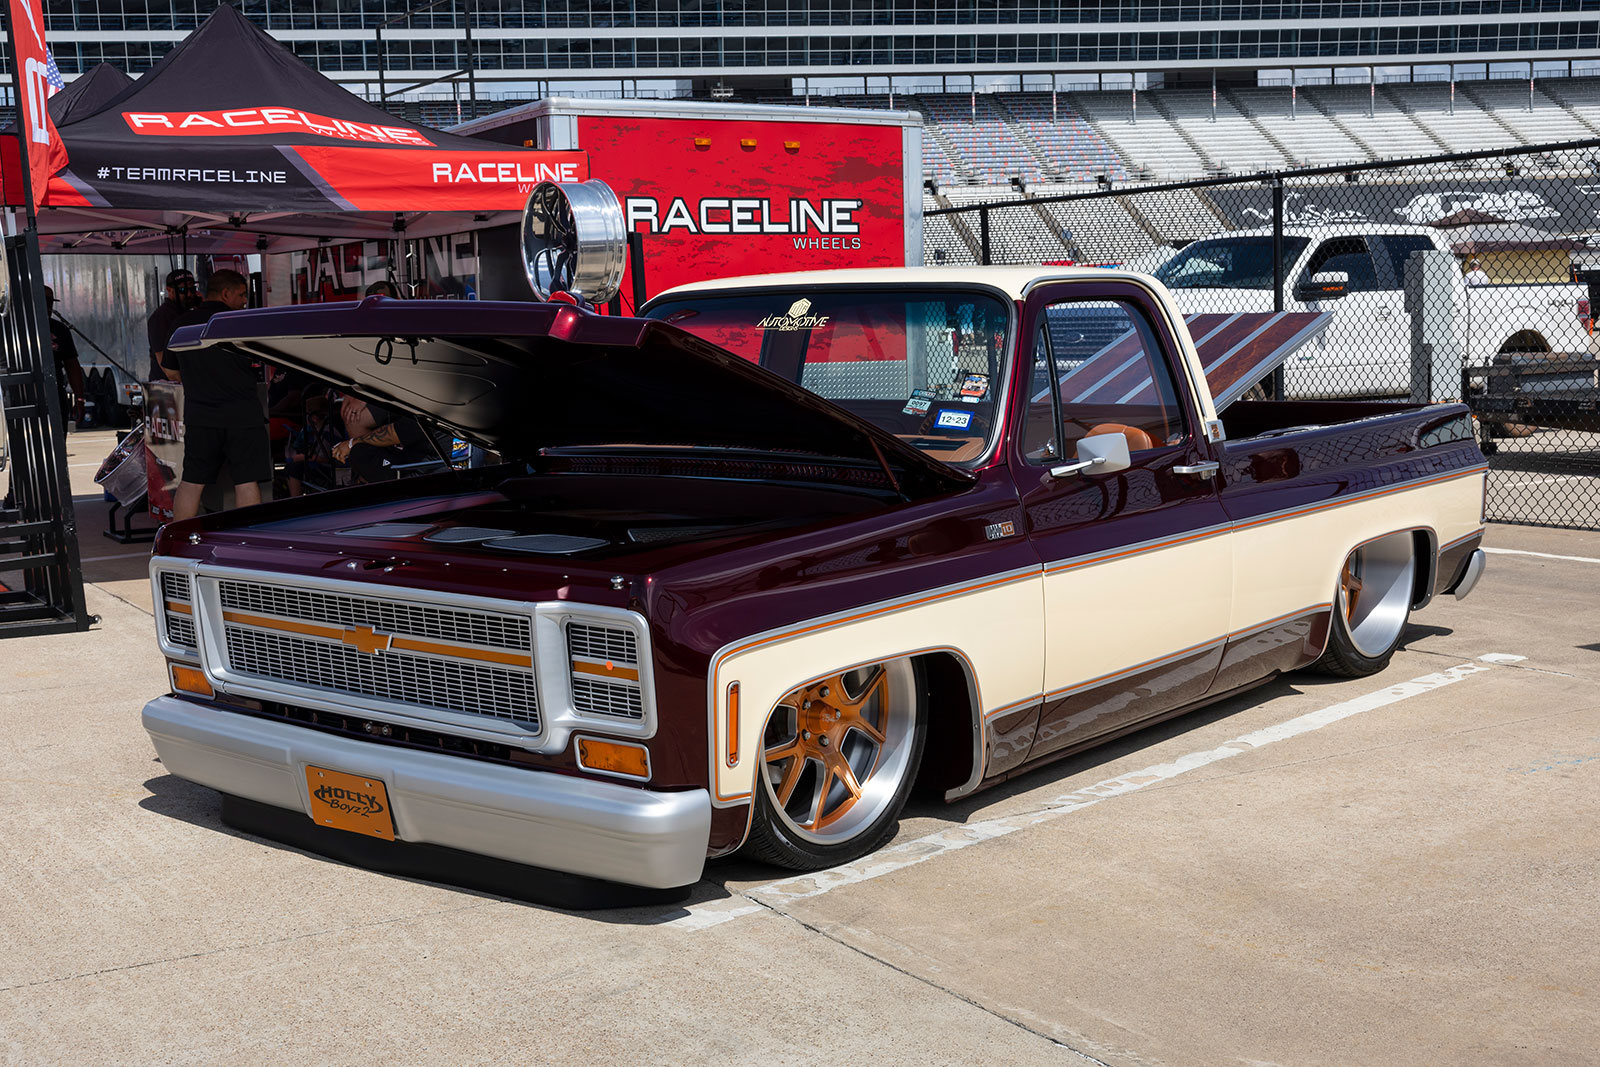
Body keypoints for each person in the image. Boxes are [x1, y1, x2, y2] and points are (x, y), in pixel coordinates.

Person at [163, 269, 269, 521]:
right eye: (241, 295)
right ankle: (248, 543)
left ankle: (179, 542)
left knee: (191, 481)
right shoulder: (240, 323)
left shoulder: (181, 323)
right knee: (245, 480)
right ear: (226, 293)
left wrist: (195, 377)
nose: (244, 301)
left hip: (201, 415)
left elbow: (169, 369)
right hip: (242, 414)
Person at [331, 394, 439, 484]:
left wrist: (351, 444)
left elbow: (394, 433)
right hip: (420, 450)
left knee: (358, 450)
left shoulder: (434, 408)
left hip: (425, 471)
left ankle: (369, 480)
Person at [146, 268, 197, 381]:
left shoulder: (190, 313)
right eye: (182, 290)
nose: (189, 294)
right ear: (169, 290)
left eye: (192, 289)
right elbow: (162, 360)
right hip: (167, 385)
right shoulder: (161, 317)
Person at [44, 287, 84, 430]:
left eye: (50, 301)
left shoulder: (59, 329)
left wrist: (79, 398)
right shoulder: (13, 329)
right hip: (24, 395)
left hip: (55, 391)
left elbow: (72, 364)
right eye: (43, 300)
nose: (48, 306)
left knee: (58, 437)